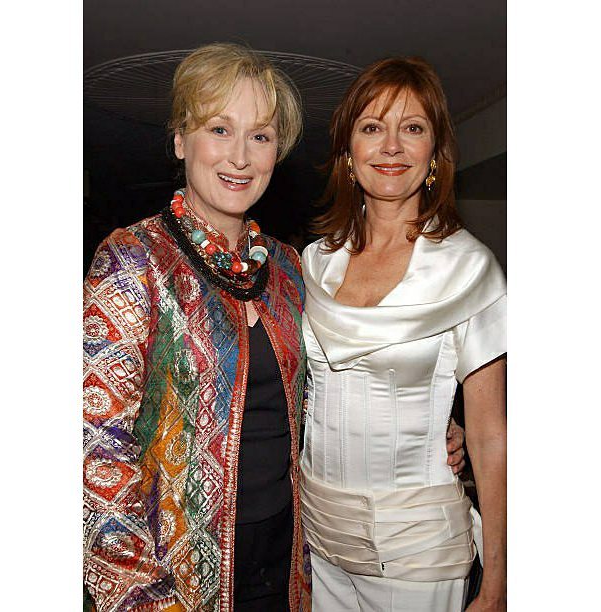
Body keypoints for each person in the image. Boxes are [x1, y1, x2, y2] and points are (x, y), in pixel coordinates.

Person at [83, 43, 466, 612]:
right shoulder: (134, 260)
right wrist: (143, 596)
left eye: (260, 136)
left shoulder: (288, 267)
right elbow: (94, 447)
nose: (240, 156)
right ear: (181, 140)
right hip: (176, 576)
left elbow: (329, 387)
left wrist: (426, 424)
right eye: (219, 129)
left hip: (296, 561)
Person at [299, 56, 506, 611]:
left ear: (435, 153)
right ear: (348, 153)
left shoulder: (469, 269)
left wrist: (499, 584)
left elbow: (491, 435)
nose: (391, 146)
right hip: (320, 538)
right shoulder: (314, 264)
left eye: (412, 128)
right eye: (372, 127)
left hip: (419, 550)